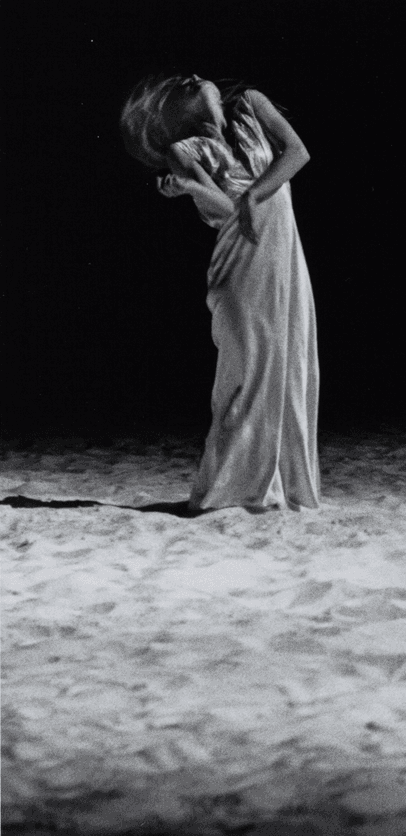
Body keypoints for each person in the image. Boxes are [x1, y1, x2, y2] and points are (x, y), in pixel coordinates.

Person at [120, 75, 320, 512]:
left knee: (291, 365)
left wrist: (252, 196)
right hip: (241, 262)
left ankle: (278, 488)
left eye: (193, 74)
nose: (193, 77)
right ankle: (231, 490)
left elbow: (298, 153)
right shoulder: (183, 151)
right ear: (170, 112)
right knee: (247, 374)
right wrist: (192, 188)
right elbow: (226, 211)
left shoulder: (251, 103)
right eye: (180, 85)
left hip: (283, 256)